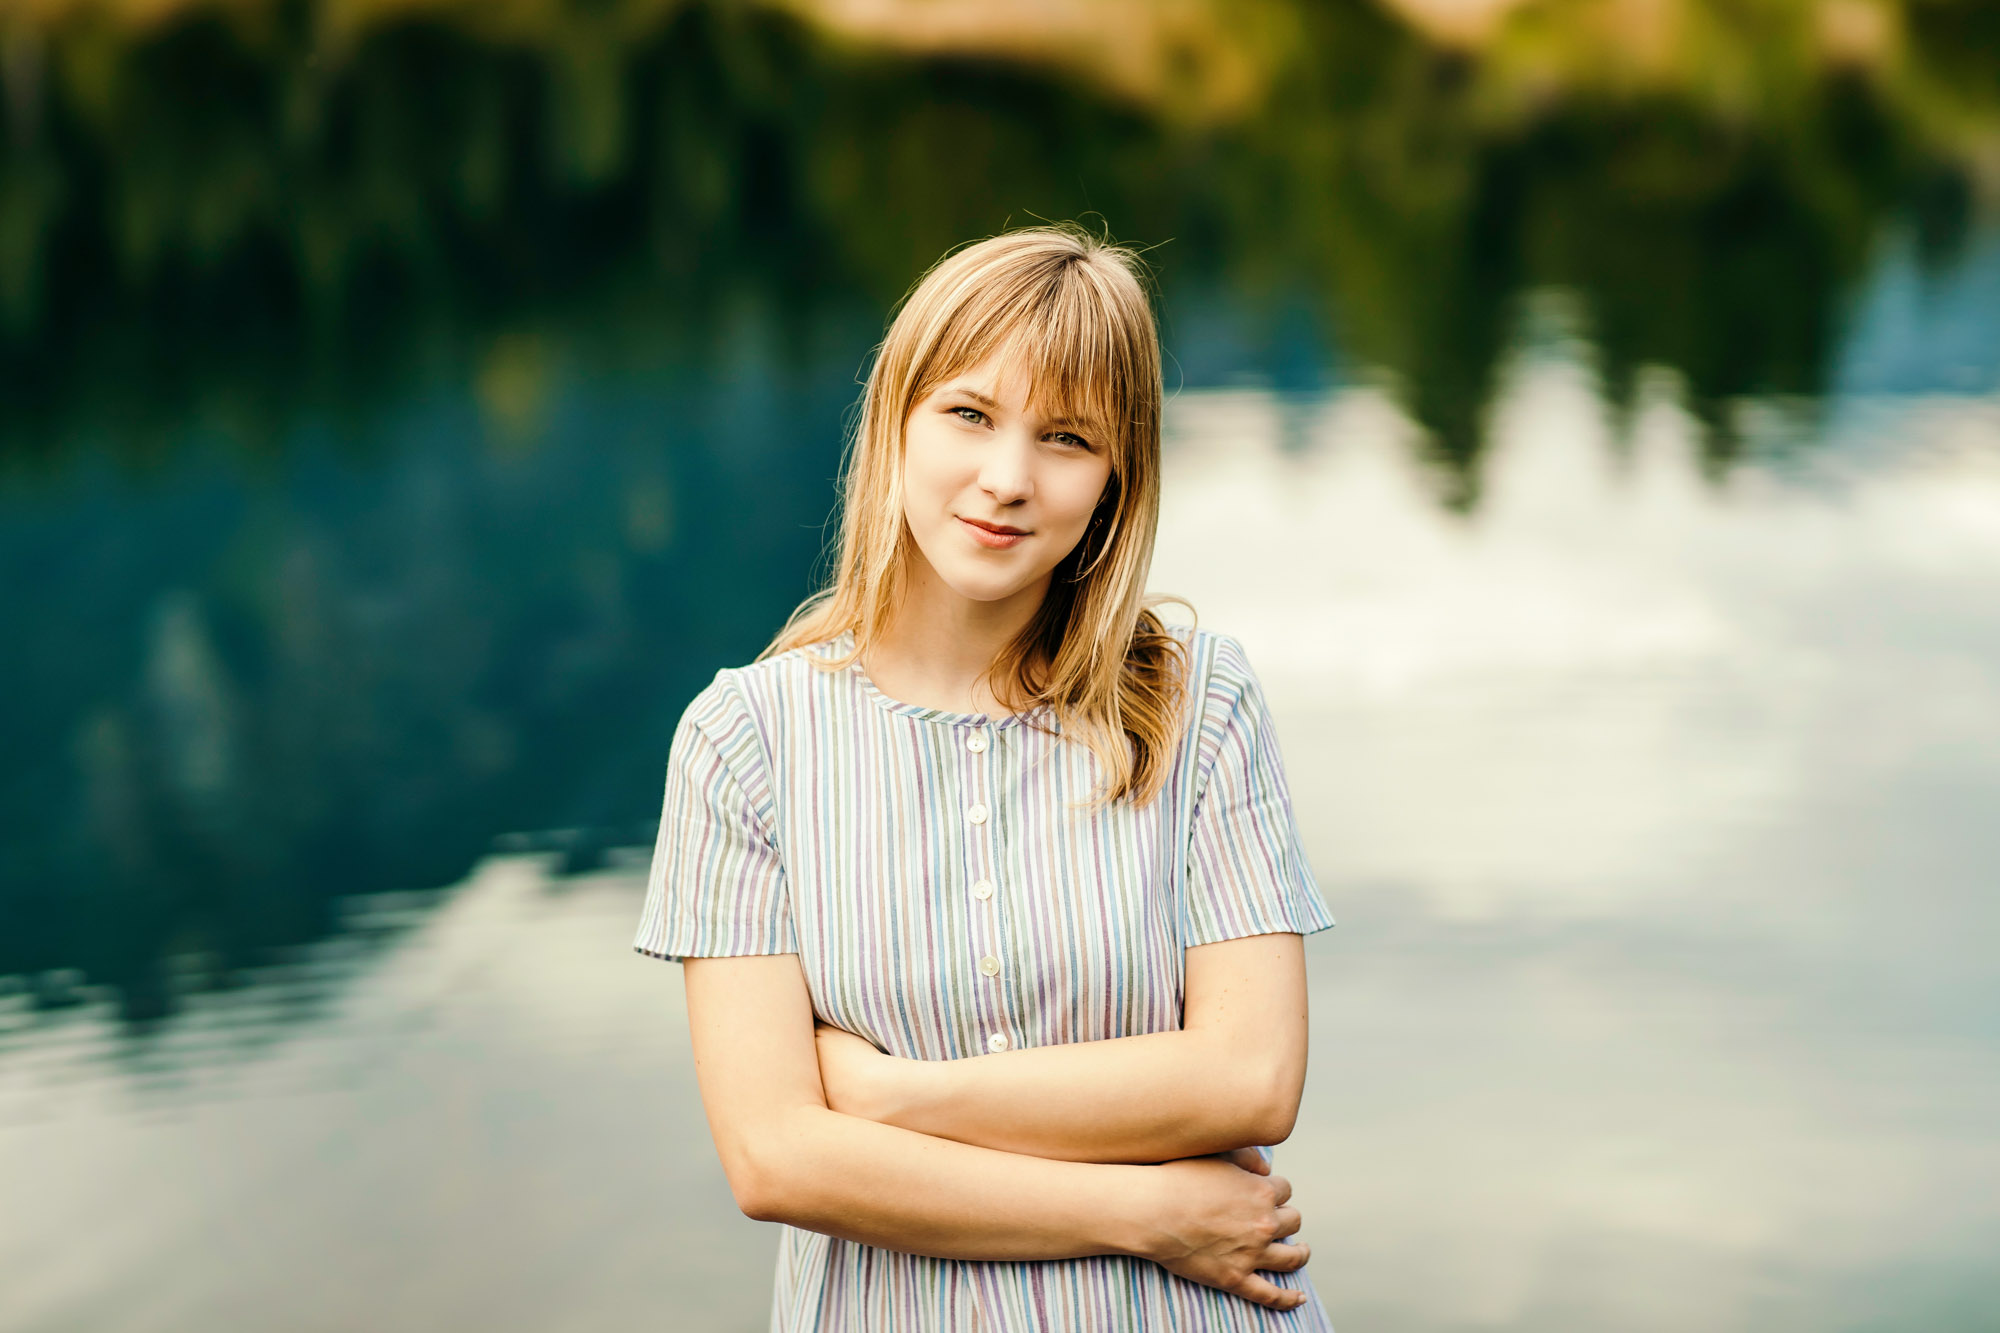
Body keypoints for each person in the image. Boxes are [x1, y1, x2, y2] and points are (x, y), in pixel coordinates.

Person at [633, 222, 1338, 1330]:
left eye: (1066, 438)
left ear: (1115, 480)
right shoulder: (743, 742)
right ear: (896, 420)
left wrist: (888, 1097)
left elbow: (1250, 1078)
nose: (1006, 480)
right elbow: (776, 1159)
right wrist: (1148, 1212)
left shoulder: (1201, 703)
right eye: (968, 414)